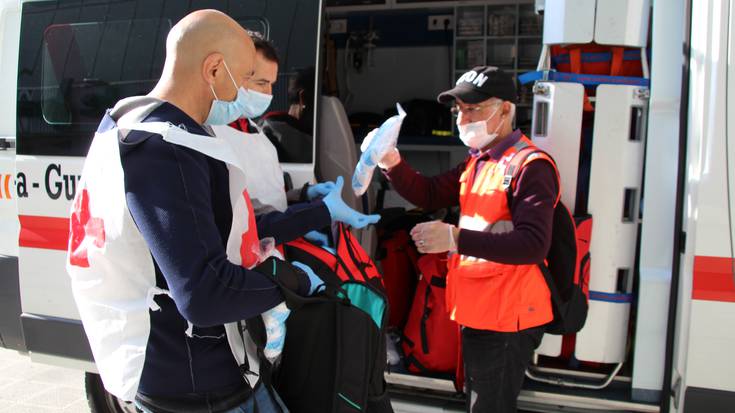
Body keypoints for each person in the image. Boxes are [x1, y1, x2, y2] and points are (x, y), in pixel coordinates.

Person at [71, 10, 378, 413]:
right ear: (214, 68)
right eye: (246, 77)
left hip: (206, 369)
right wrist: (285, 284)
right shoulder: (166, 152)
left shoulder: (130, 127)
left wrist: (318, 212)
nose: (251, 95)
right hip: (195, 385)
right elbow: (204, 295)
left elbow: (230, 231)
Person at [377, 66, 558, 413]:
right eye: (459, 109)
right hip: (481, 312)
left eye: (473, 108)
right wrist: (392, 161)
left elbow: (534, 244)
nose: (463, 117)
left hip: (508, 320)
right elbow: (429, 194)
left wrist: (455, 238)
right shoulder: (478, 161)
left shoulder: (530, 166)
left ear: (505, 109)